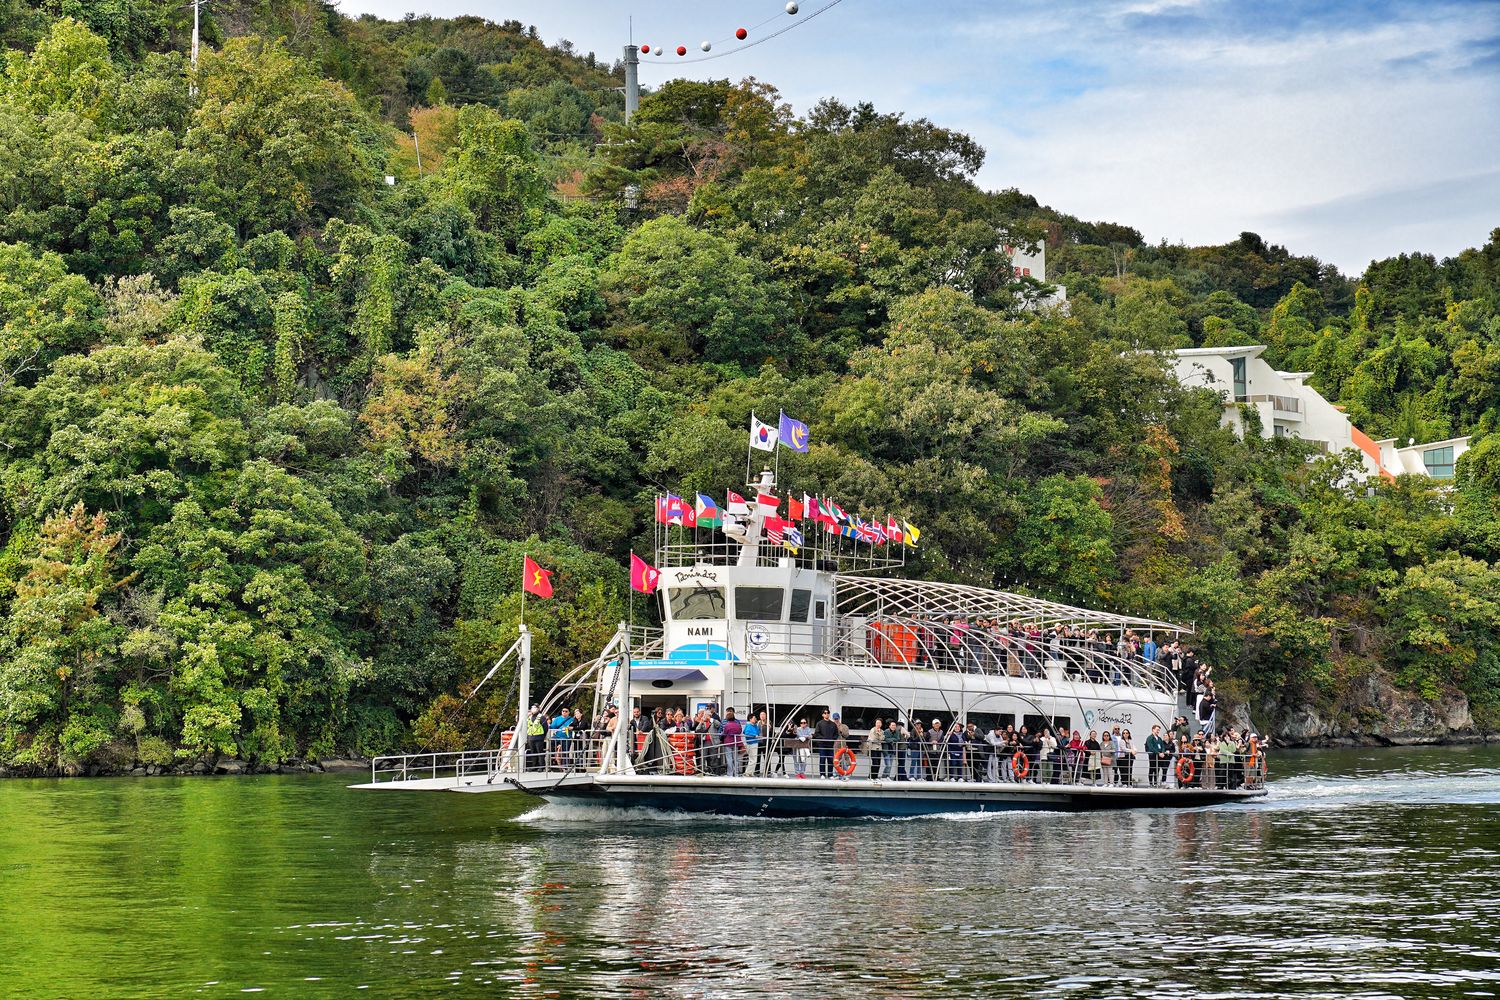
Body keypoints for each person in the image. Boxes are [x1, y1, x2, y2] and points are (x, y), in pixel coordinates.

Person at [813, 710, 839, 779]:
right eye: (825, 713)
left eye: (828, 713)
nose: (826, 714)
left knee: (830, 760)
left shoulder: (833, 724)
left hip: (830, 745)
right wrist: (823, 738)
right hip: (822, 744)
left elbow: (836, 734)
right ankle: (822, 774)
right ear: (822, 715)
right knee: (822, 759)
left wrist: (832, 739)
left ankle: (830, 774)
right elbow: (816, 733)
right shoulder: (819, 723)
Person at [720, 709, 744, 777]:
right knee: (735, 759)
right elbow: (740, 732)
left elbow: (724, 734)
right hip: (736, 743)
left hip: (728, 743)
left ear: (727, 718)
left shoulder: (727, 725)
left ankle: (730, 774)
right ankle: (736, 773)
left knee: (729, 759)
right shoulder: (738, 725)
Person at [524, 705, 546, 770]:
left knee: (540, 752)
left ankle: (541, 766)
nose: (533, 709)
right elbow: (528, 726)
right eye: (532, 707)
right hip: (531, 737)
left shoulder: (541, 717)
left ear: (538, 709)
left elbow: (545, 727)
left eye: (535, 707)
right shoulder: (530, 717)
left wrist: (542, 736)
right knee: (533, 752)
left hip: (539, 737)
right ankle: (534, 766)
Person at [742, 712, 761, 776]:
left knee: (752, 759)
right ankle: (747, 772)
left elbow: (758, 733)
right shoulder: (749, 725)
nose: (755, 719)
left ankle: (750, 772)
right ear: (750, 719)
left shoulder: (754, 725)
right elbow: (746, 733)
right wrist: (754, 735)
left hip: (754, 743)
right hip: (751, 743)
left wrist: (756, 725)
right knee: (753, 759)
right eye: (754, 718)